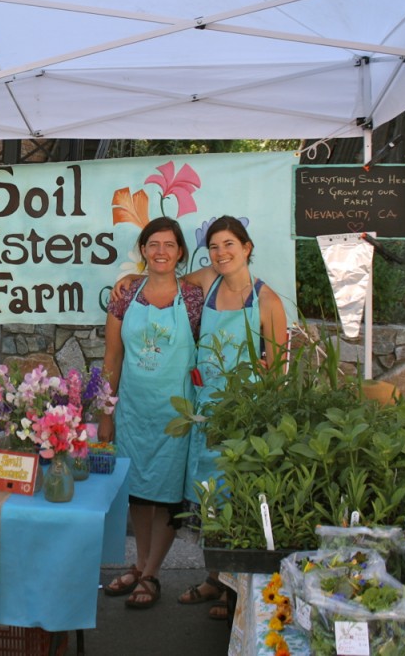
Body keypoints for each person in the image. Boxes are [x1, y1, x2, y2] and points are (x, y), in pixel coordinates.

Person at [111, 215, 289, 619]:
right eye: (215, 247)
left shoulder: (268, 301)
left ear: (247, 247)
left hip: (241, 416)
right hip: (201, 411)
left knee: (234, 499)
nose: (222, 253)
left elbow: (278, 372)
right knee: (209, 500)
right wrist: (131, 281)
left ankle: (232, 590)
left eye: (230, 244)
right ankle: (214, 579)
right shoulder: (207, 286)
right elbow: (168, 273)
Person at [99, 216, 204, 610]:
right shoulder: (124, 295)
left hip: (177, 412)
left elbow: (227, 265)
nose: (161, 252)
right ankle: (140, 563)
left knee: (167, 495)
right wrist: (106, 412)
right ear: (142, 250)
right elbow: (112, 357)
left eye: (169, 245)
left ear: (180, 252)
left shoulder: (194, 296)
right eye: (153, 244)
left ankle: (153, 572)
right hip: (132, 410)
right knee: (139, 493)